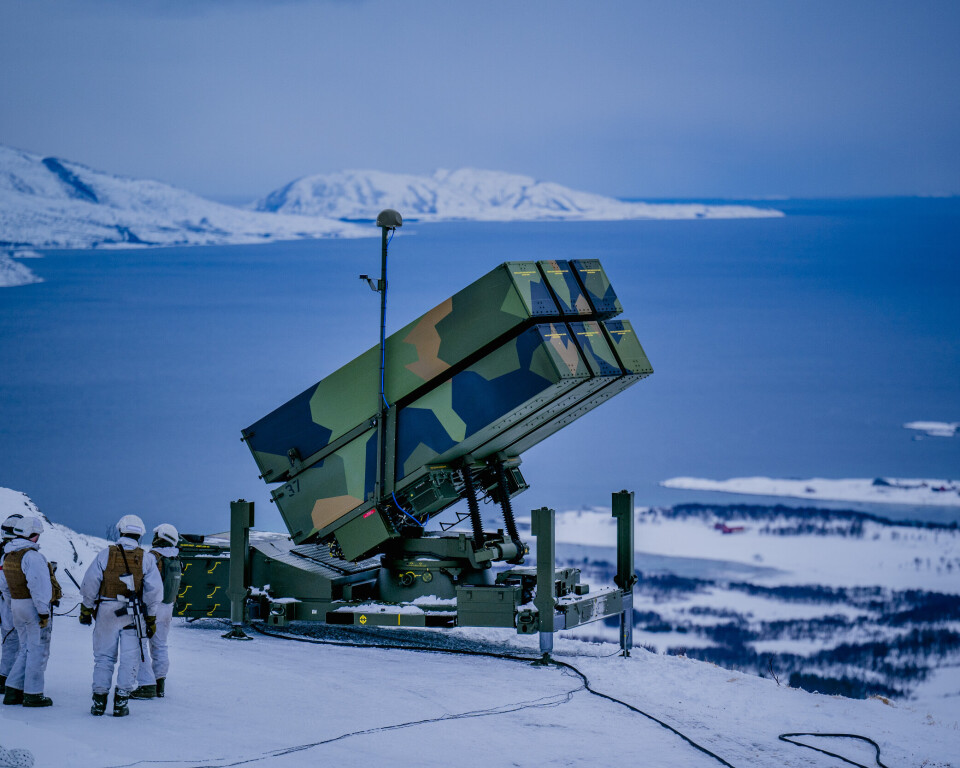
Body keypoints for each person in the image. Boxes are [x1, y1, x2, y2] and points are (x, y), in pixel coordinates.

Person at [79, 514, 162, 717]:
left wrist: (86, 608)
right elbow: (153, 593)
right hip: (133, 614)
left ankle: (98, 702)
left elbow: (90, 583)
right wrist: (150, 617)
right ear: (140, 535)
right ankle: (121, 704)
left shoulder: (105, 554)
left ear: (121, 531)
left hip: (106, 611)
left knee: (103, 659)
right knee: (129, 660)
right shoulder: (147, 558)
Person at [0, 516, 54, 707]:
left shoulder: (8, 555)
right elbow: (39, 587)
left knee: (25, 648)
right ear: (33, 535)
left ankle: (12, 690)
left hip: (15, 605)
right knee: (37, 650)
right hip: (31, 607)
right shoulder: (32, 556)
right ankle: (33, 693)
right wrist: (43, 612)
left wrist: (12, 603)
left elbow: (4, 586)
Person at [130, 523, 181, 700]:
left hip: (151, 607)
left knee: (140, 644)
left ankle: (146, 685)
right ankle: (160, 683)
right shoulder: (176, 559)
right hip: (168, 608)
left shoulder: (152, 558)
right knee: (160, 645)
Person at [0, 514, 24, 696]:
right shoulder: (11, 555)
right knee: (12, 640)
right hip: (7, 602)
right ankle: (6, 677)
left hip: (5, 600)